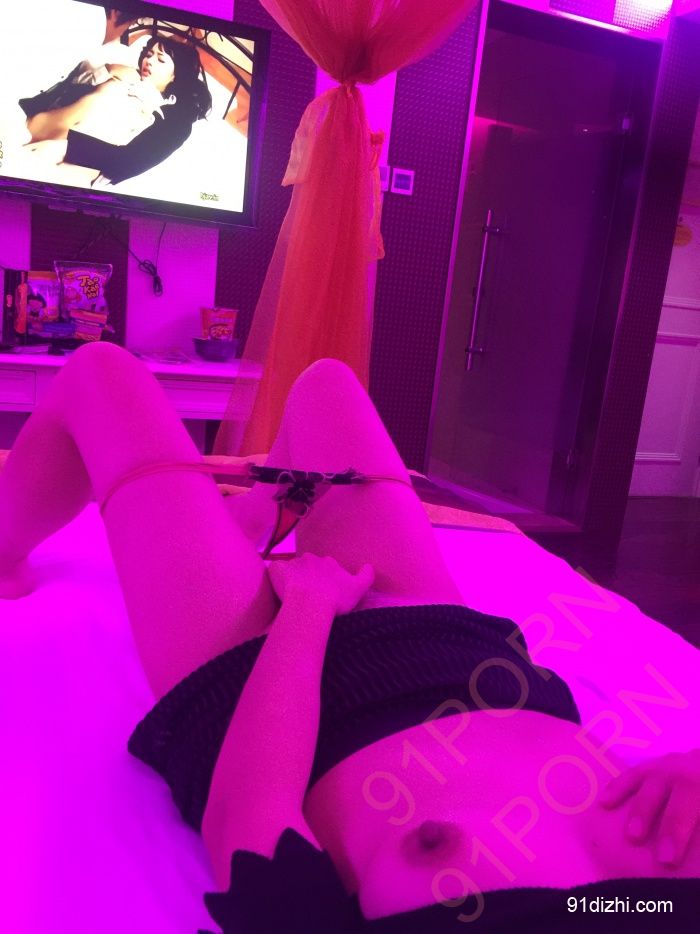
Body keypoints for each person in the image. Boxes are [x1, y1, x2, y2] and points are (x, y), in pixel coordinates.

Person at [0, 343, 698, 932]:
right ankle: (253, 517)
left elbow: (247, 818)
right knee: (326, 386)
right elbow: (603, 902)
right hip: (446, 645)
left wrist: (307, 609)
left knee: (100, 373)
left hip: (248, 684)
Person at [21, 35, 212, 186]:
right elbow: (72, 85)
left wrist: (63, 148)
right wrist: (109, 69)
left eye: (161, 59)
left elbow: (125, 161)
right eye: (148, 54)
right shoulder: (122, 77)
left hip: (69, 160)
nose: (149, 61)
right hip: (46, 129)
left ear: (175, 76)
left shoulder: (165, 117)